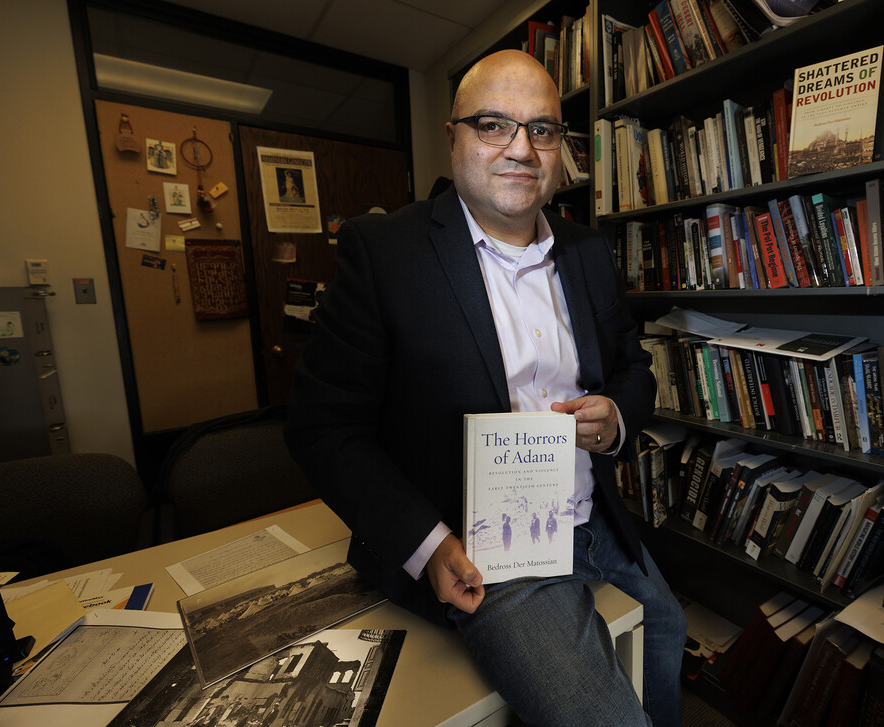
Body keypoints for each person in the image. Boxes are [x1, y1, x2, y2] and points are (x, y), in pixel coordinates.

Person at [286, 49, 685, 726]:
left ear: (561, 149)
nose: (521, 149)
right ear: (453, 137)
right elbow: (324, 428)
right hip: (479, 547)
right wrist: (427, 542)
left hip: (591, 517)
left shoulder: (590, 252)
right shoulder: (383, 251)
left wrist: (616, 415)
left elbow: (633, 365)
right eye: (493, 124)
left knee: (669, 630)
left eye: (543, 130)